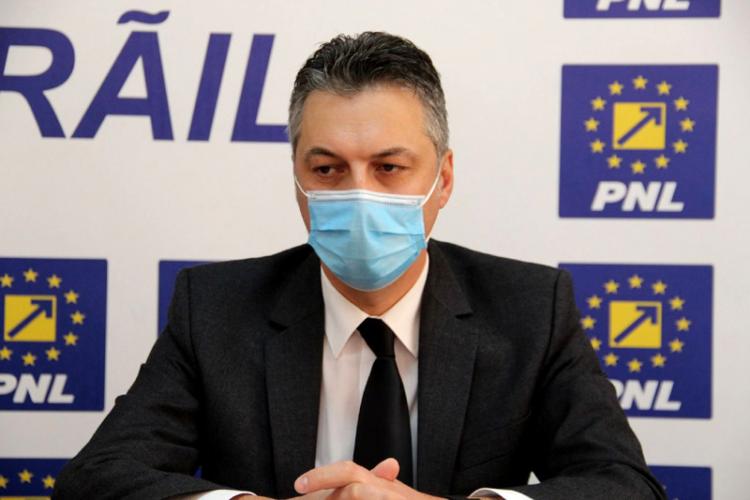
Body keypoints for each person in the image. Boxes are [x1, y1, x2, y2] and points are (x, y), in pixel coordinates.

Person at [54, 32, 666, 500]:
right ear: (297, 180)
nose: (358, 193)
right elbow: (95, 479)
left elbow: (625, 486)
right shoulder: (215, 307)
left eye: (389, 168)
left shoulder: (531, 307)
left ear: (443, 179)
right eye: (327, 170)